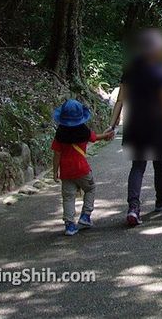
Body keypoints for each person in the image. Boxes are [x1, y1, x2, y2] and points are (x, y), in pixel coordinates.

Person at [108, 29, 162, 226]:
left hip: (135, 123)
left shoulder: (130, 70)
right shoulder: (161, 70)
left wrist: (112, 125)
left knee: (137, 166)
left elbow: (120, 100)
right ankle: (161, 199)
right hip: (157, 124)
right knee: (160, 163)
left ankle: (133, 208)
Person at [51, 100, 114, 236]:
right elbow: (95, 137)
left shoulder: (60, 134)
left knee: (68, 197)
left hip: (66, 172)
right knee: (90, 188)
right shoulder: (83, 130)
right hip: (82, 169)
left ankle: (69, 225)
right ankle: (85, 215)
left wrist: (55, 171)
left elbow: (57, 154)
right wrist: (106, 135)